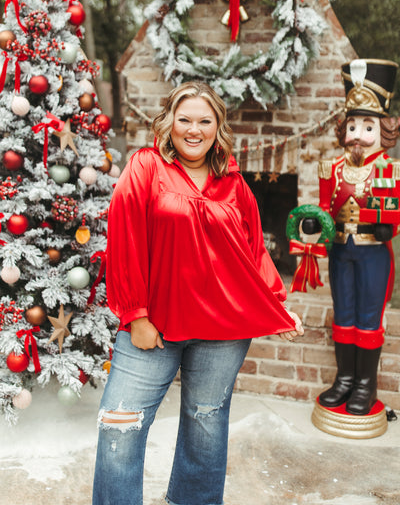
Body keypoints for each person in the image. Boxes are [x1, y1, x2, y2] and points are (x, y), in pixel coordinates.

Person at [92, 81, 304, 505]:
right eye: (184, 119)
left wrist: (277, 306)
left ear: (218, 128)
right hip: (153, 327)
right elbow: (125, 237)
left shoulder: (236, 186)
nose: (194, 129)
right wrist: (136, 315)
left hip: (222, 332)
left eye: (204, 121)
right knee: (120, 423)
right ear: (168, 123)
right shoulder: (146, 166)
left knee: (205, 424)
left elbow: (252, 253)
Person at [307, 59, 400, 416]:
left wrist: (388, 227)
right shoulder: (332, 168)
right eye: (353, 125)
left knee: (367, 315)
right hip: (340, 250)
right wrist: (315, 224)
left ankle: (365, 383)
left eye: (367, 126)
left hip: (374, 253)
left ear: (382, 129)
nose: (358, 134)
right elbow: (322, 205)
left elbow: (397, 209)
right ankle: (344, 378)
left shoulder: (388, 169)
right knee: (343, 313)